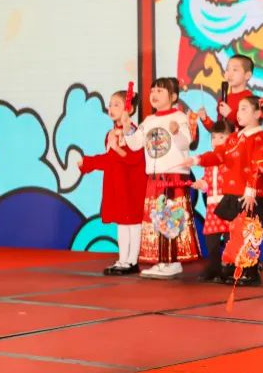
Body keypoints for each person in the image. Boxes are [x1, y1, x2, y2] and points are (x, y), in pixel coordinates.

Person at [186, 97, 263, 287]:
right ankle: (237, 270)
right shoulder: (236, 137)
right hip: (235, 193)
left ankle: (250, 273)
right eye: (238, 109)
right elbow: (220, 154)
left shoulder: (260, 138)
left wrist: (251, 188)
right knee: (237, 234)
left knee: (249, 233)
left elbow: (260, 165)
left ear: (258, 113)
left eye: (244, 109)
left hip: (250, 195)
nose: (238, 113)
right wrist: (197, 160)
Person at [122, 77, 201, 278]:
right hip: (155, 177)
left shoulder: (180, 117)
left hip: (173, 175)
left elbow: (186, 143)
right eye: (152, 91)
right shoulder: (149, 120)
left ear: (173, 97)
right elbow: (135, 144)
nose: (154, 94)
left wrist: (176, 132)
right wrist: (127, 127)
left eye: (160, 91)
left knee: (172, 218)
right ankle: (162, 260)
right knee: (157, 219)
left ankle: (173, 261)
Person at [78, 90, 146, 275]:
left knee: (133, 223)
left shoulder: (134, 132)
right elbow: (109, 160)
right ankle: (123, 259)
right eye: (110, 104)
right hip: (117, 183)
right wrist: (88, 163)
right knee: (122, 223)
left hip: (131, 184)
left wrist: (116, 148)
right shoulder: (111, 133)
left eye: (117, 104)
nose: (111, 108)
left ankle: (132, 261)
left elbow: (134, 158)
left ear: (128, 109)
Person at [191, 119, 232, 282]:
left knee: (230, 238)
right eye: (214, 137)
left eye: (221, 137)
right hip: (212, 205)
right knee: (211, 238)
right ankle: (214, 266)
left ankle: (229, 268)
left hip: (228, 204)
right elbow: (208, 181)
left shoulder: (232, 157)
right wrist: (201, 184)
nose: (216, 141)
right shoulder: (209, 159)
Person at [197, 55, 256, 131]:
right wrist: (205, 119)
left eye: (235, 70)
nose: (230, 74)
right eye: (227, 70)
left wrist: (229, 114)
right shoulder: (223, 99)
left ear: (247, 75)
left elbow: (250, 127)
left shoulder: (250, 100)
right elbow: (219, 131)